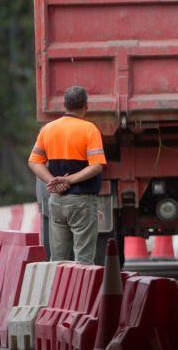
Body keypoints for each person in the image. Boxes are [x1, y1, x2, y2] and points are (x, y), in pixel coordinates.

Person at [27, 85, 106, 264]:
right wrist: (68, 180)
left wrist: (53, 182)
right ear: (86, 106)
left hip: (56, 201)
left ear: (65, 105)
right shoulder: (89, 129)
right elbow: (96, 166)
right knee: (84, 261)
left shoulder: (48, 129)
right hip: (81, 202)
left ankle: (57, 291)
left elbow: (33, 161)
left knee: (58, 260)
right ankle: (83, 292)